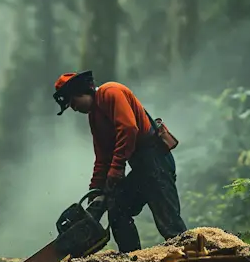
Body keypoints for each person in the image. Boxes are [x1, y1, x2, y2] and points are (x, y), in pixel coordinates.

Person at [52, 70, 188, 252]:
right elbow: (102, 156)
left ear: (81, 91)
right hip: (139, 166)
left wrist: (117, 168)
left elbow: (129, 128)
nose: (74, 108)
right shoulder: (94, 116)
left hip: (155, 159)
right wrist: (96, 191)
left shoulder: (111, 92)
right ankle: (131, 258)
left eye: (73, 102)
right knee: (118, 208)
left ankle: (190, 256)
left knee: (168, 221)